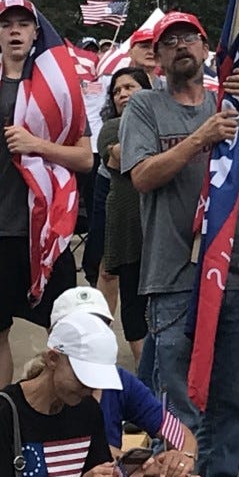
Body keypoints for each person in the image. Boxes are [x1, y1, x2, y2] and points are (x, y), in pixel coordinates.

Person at [120, 11, 239, 477]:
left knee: (231, 401)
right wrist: (200, 139)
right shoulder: (144, 106)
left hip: (234, 272)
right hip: (174, 277)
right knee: (179, 403)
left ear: (206, 51)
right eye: (170, 41)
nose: (181, 45)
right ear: (158, 58)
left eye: (191, 38)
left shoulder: (227, 102)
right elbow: (141, 176)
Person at [1, 0, 93, 387]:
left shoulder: (60, 92)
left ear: (36, 33)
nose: (16, 31)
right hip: (1, 232)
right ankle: (5, 423)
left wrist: (36, 145)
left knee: (65, 331)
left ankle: (64, 415)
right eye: (7, 25)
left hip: (47, 234)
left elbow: (86, 158)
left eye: (24, 24)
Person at [40, 287, 203, 477]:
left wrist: (181, 459)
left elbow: (178, 432)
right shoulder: (51, 390)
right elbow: (80, 453)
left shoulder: (119, 382)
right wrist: (143, 465)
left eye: (99, 327)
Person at [0, 312, 142, 477]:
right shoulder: (6, 412)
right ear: (53, 359)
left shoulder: (87, 409)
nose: (89, 388)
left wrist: (149, 474)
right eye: (83, 377)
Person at [96, 67, 151, 365]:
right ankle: (148, 383)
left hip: (163, 229)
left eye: (130, 87)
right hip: (129, 229)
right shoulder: (111, 127)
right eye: (117, 91)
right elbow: (120, 157)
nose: (123, 94)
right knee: (133, 304)